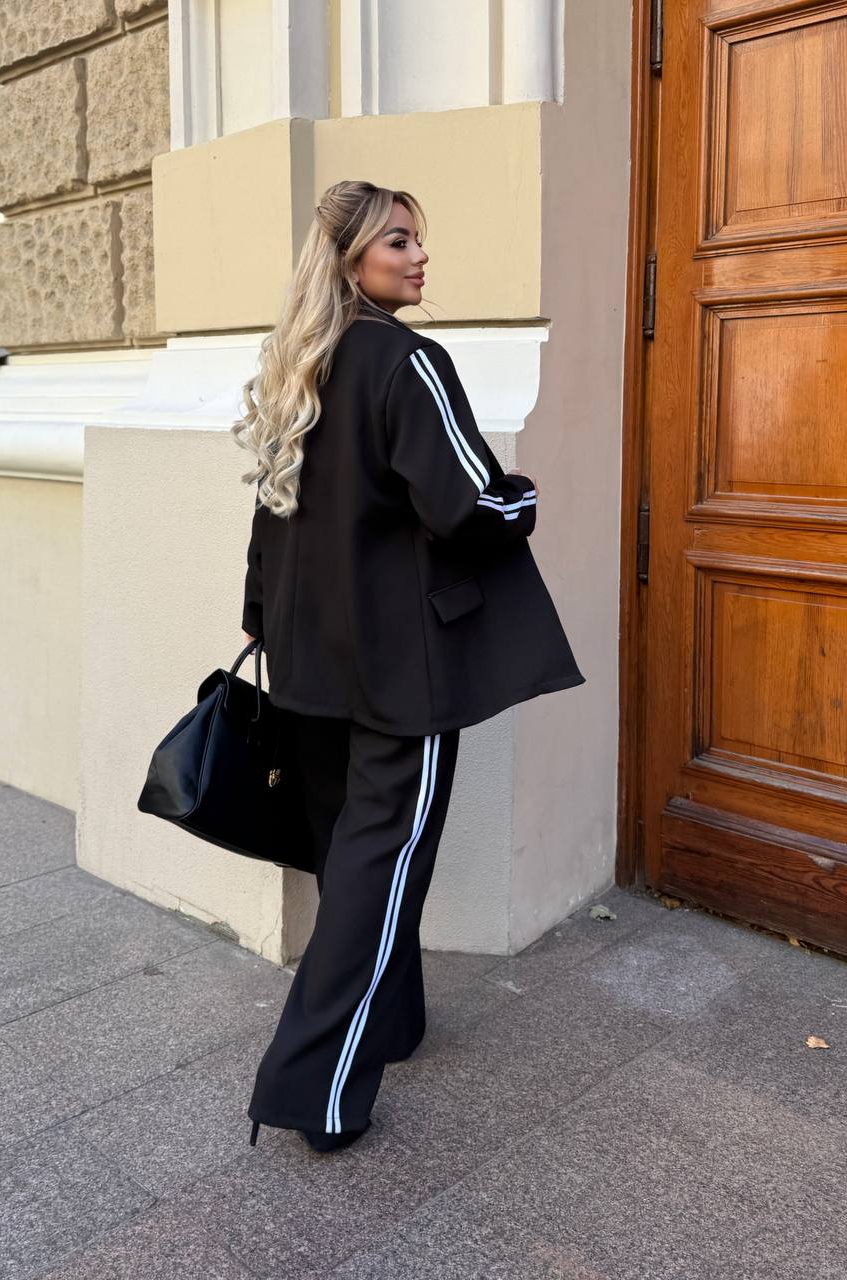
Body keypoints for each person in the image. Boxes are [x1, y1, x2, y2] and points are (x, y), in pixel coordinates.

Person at [230, 180, 585, 1154]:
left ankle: (391, 1022)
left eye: (418, 240)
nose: (419, 256)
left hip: (311, 661)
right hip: (400, 673)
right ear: (352, 258)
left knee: (358, 854)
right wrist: (524, 496)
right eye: (398, 241)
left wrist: (262, 618)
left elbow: (271, 515)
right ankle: (315, 1088)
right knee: (379, 869)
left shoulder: (299, 362)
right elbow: (468, 505)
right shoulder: (407, 359)